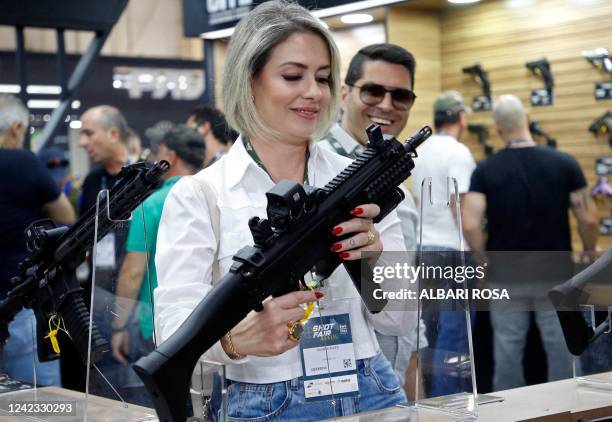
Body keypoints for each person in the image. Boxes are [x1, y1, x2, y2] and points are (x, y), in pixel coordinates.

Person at [154, 1, 417, 420]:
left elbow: (401, 320)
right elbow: (171, 333)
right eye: (293, 75)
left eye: (324, 78)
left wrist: (371, 261)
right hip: (263, 401)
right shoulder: (200, 195)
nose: (313, 92)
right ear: (249, 80)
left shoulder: (361, 180)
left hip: (371, 388)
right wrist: (236, 341)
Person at [462, 94, 599, 390]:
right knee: (563, 349)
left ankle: (510, 416)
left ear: (497, 128)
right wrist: (588, 253)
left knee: (507, 351)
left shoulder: (486, 170)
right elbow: (587, 218)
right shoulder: (564, 162)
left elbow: (471, 222)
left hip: (505, 276)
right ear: (527, 117)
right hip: (556, 276)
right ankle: (566, 411)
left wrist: (483, 263)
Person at [318, 43, 427, 399]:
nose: (386, 104)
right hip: (342, 381)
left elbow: (405, 294)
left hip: (389, 377)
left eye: (401, 96)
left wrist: (411, 387)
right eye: (373, 90)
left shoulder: (392, 173)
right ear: (346, 93)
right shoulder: (317, 167)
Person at [110, 124, 205, 404]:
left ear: (171, 156)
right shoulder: (212, 197)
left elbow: (133, 271)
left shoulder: (151, 205)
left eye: (159, 151)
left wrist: (118, 326)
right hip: (205, 323)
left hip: (154, 326)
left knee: (156, 403)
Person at [0, 94, 75, 386]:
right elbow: (66, 216)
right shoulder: (23, 162)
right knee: (40, 401)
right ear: (16, 128)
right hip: (20, 301)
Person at [409, 90, 477, 397]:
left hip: (425, 251)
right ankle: (454, 403)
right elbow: (457, 203)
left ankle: (435, 401)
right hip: (453, 251)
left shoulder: (422, 150)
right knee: (456, 334)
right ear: (461, 118)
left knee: (431, 335)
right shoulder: (459, 152)